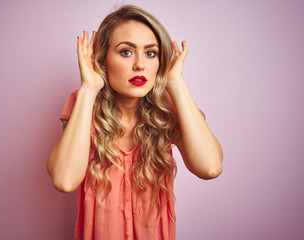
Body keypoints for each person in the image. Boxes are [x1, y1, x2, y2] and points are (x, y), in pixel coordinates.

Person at [47, 4, 223, 240]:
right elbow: (64, 180)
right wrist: (89, 88)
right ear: (103, 59)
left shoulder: (168, 110)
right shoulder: (82, 103)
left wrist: (176, 84)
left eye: (151, 53)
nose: (140, 64)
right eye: (126, 52)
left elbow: (210, 168)